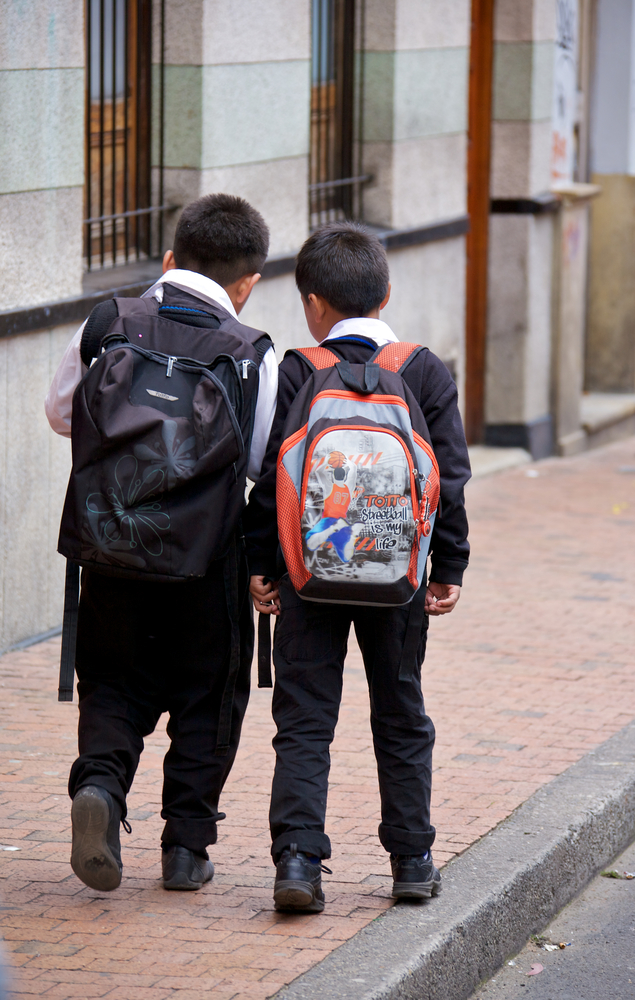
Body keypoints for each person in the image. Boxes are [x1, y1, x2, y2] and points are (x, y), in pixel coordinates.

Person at [45, 194, 277, 892]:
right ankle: (186, 849)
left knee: (113, 681)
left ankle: (102, 790)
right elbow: (262, 462)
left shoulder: (108, 323)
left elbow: (62, 414)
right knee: (209, 694)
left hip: (112, 545)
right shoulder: (249, 354)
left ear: (171, 259)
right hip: (207, 559)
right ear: (249, 281)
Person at [244, 222, 471, 913]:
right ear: (386, 293)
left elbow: (268, 479)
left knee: (305, 718)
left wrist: (263, 565)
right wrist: (446, 566)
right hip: (395, 579)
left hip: (311, 575)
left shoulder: (299, 370)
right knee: (400, 714)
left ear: (311, 303)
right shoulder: (423, 368)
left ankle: (297, 863)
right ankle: (410, 858)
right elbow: (451, 480)